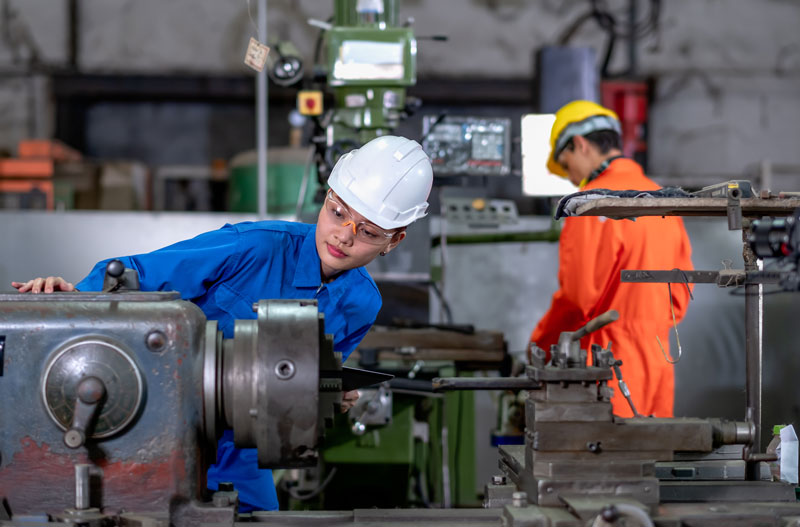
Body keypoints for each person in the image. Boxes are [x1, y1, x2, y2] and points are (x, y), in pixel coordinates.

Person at [11, 135, 434, 512]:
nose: (344, 234)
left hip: (241, 453)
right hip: (155, 430)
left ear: (393, 241)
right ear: (325, 197)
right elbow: (130, 274)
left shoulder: (361, 304)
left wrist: (324, 390)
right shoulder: (251, 247)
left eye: (368, 232)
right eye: (338, 212)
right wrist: (73, 302)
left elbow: (298, 381)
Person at [530, 100, 693, 418]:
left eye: (566, 165)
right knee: (651, 459)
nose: (570, 178)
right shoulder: (662, 200)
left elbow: (577, 301)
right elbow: (681, 296)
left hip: (608, 367)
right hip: (660, 362)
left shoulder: (590, 203)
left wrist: (539, 345)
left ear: (580, 145)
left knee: (605, 462)